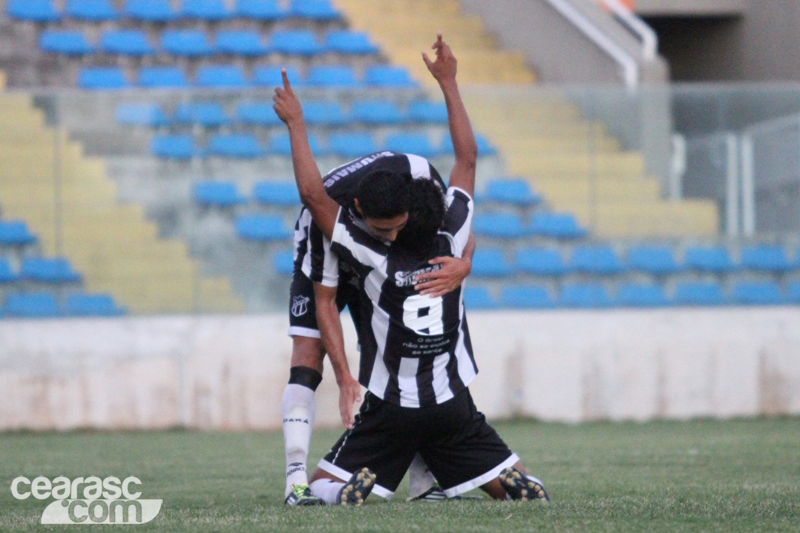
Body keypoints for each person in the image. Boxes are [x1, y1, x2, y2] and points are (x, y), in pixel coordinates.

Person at [274, 33, 549, 506]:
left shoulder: (371, 257)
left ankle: (332, 492)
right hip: (452, 403)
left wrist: (296, 125)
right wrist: (449, 82)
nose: (388, 237)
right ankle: (508, 483)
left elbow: (313, 196)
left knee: (322, 486)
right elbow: (467, 158)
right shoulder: (454, 235)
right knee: (517, 482)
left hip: (391, 408)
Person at [280, 155, 475, 503]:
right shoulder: (328, 213)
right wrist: (344, 378)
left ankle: (424, 483)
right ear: (359, 210)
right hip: (326, 263)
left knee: (407, 347)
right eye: (383, 230)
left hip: (380, 265)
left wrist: (463, 265)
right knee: (307, 356)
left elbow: (457, 229)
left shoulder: (420, 178)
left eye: (398, 227)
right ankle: (295, 483)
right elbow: (325, 301)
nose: (393, 236)